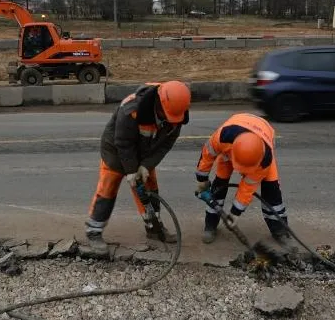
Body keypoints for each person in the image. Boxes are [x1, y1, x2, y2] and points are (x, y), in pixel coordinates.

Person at [86, 81, 192, 251]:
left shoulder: (177, 114)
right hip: (115, 151)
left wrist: (145, 166)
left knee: (149, 190)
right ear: (159, 103)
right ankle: (94, 231)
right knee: (108, 190)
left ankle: (154, 230)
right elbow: (123, 143)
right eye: (166, 114)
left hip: (144, 155)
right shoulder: (132, 109)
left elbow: (165, 145)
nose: (168, 119)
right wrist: (131, 171)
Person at [194, 113, 289, 245]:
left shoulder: (264, 159)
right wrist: (202, 179)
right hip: (233, 144)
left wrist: (235, 214)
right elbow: (207, 156)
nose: (242, 172)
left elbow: (247, 188)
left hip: (262, 136)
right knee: (219, 185)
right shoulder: (223, 137)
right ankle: (210, 224)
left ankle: (280, 230)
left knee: (272, 189)